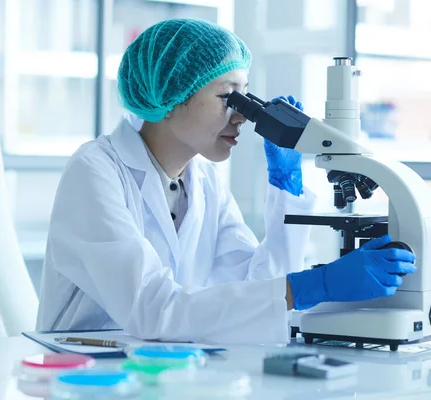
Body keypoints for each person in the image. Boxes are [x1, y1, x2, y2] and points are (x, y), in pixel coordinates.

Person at [36, 19, 416, 344]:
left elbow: (259, 283)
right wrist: (313, 285)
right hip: (84, 373)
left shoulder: (203, 181)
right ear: (170, 95)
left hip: (164, 370)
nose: (242, 116)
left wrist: (287, 187)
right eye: (227, 97)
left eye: (245, 96)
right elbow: (153, 311)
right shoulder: (95, 171)